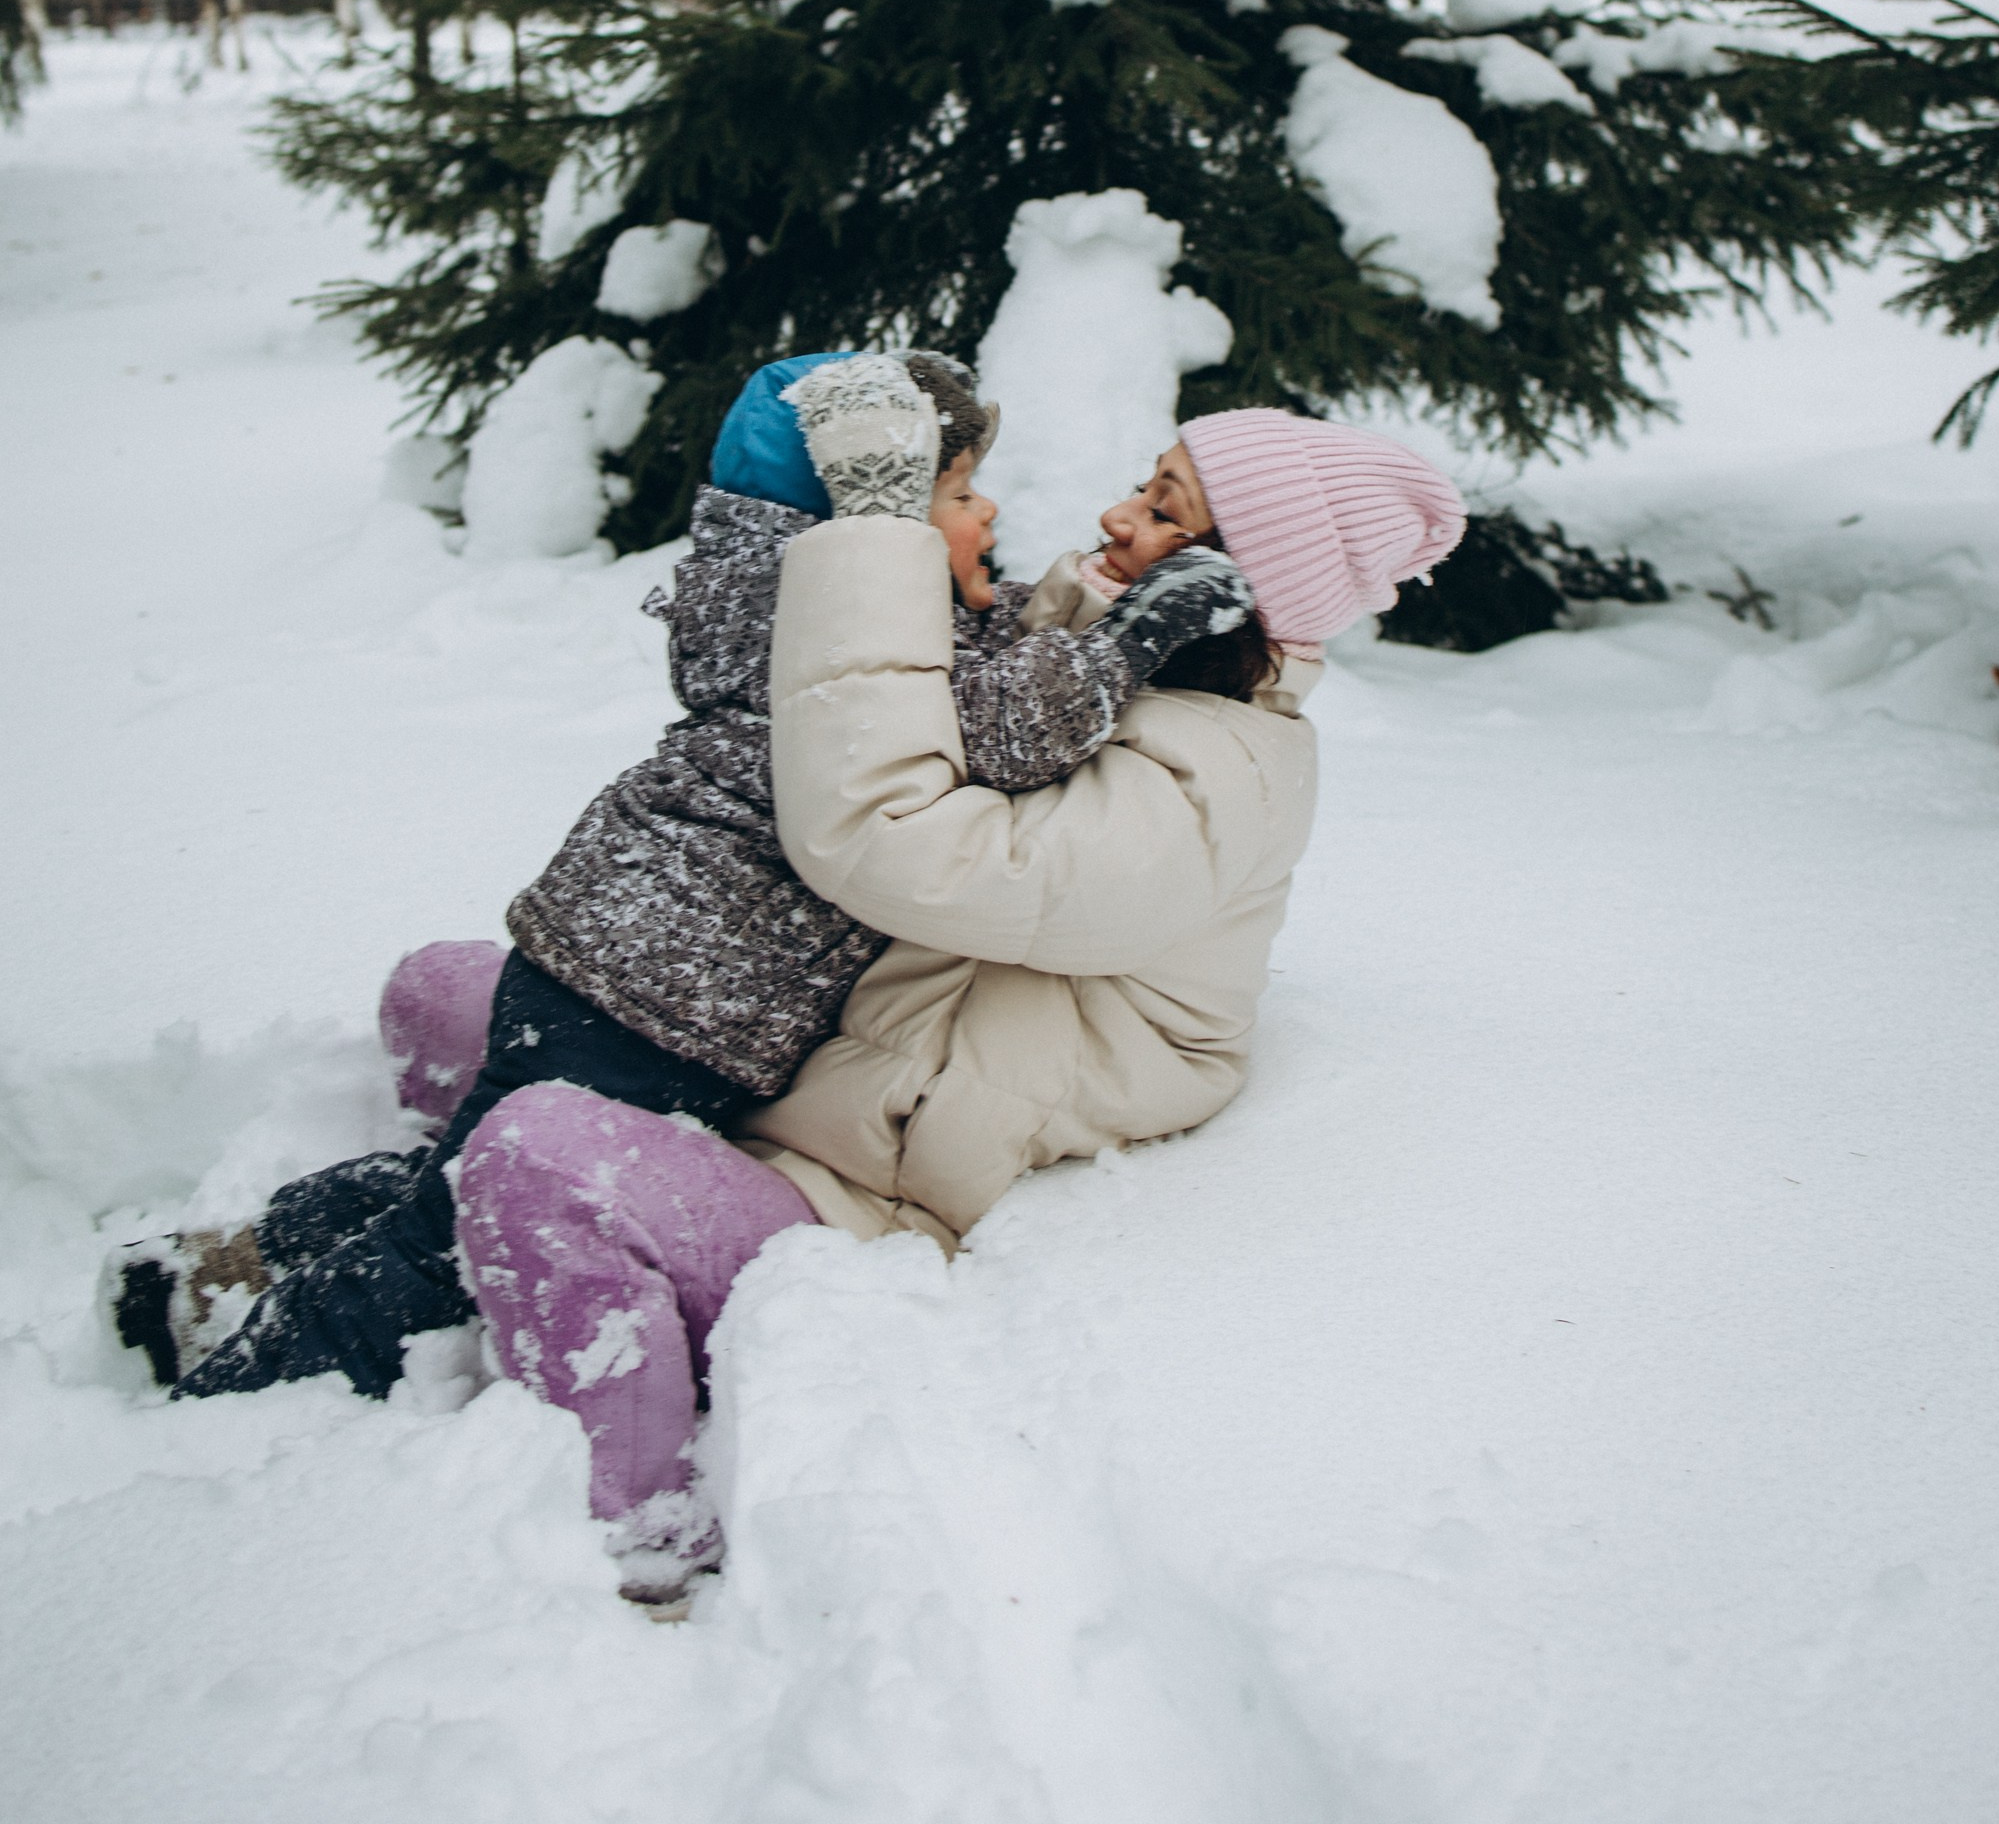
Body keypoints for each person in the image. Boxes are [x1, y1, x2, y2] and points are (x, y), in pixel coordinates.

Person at [440, 367, 1465, 1600]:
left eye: (1162, 505)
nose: (1113, 517)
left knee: (535, 1150)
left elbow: (884, 833)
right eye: (1141, 484)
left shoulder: (1211, 784)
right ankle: (428, 1213)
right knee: (440, 991)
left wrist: (885, 528)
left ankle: (640, 1531)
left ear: (1231, 583)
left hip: (858, 1195)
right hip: (799, 1070)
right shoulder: (1101, 675)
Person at [114, 349, 1249, 1456]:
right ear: (870, 516)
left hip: (608, 948)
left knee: (455, 1168)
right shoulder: (833, 628)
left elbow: (967, 667)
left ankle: (227, 1263)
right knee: (444, 1240)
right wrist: (1133, 641)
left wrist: (1070, 604)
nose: (987, 510)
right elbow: (998, 721)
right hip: (666, 994)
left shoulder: (776, 592)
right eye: (955, 493)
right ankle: (244, 1374)